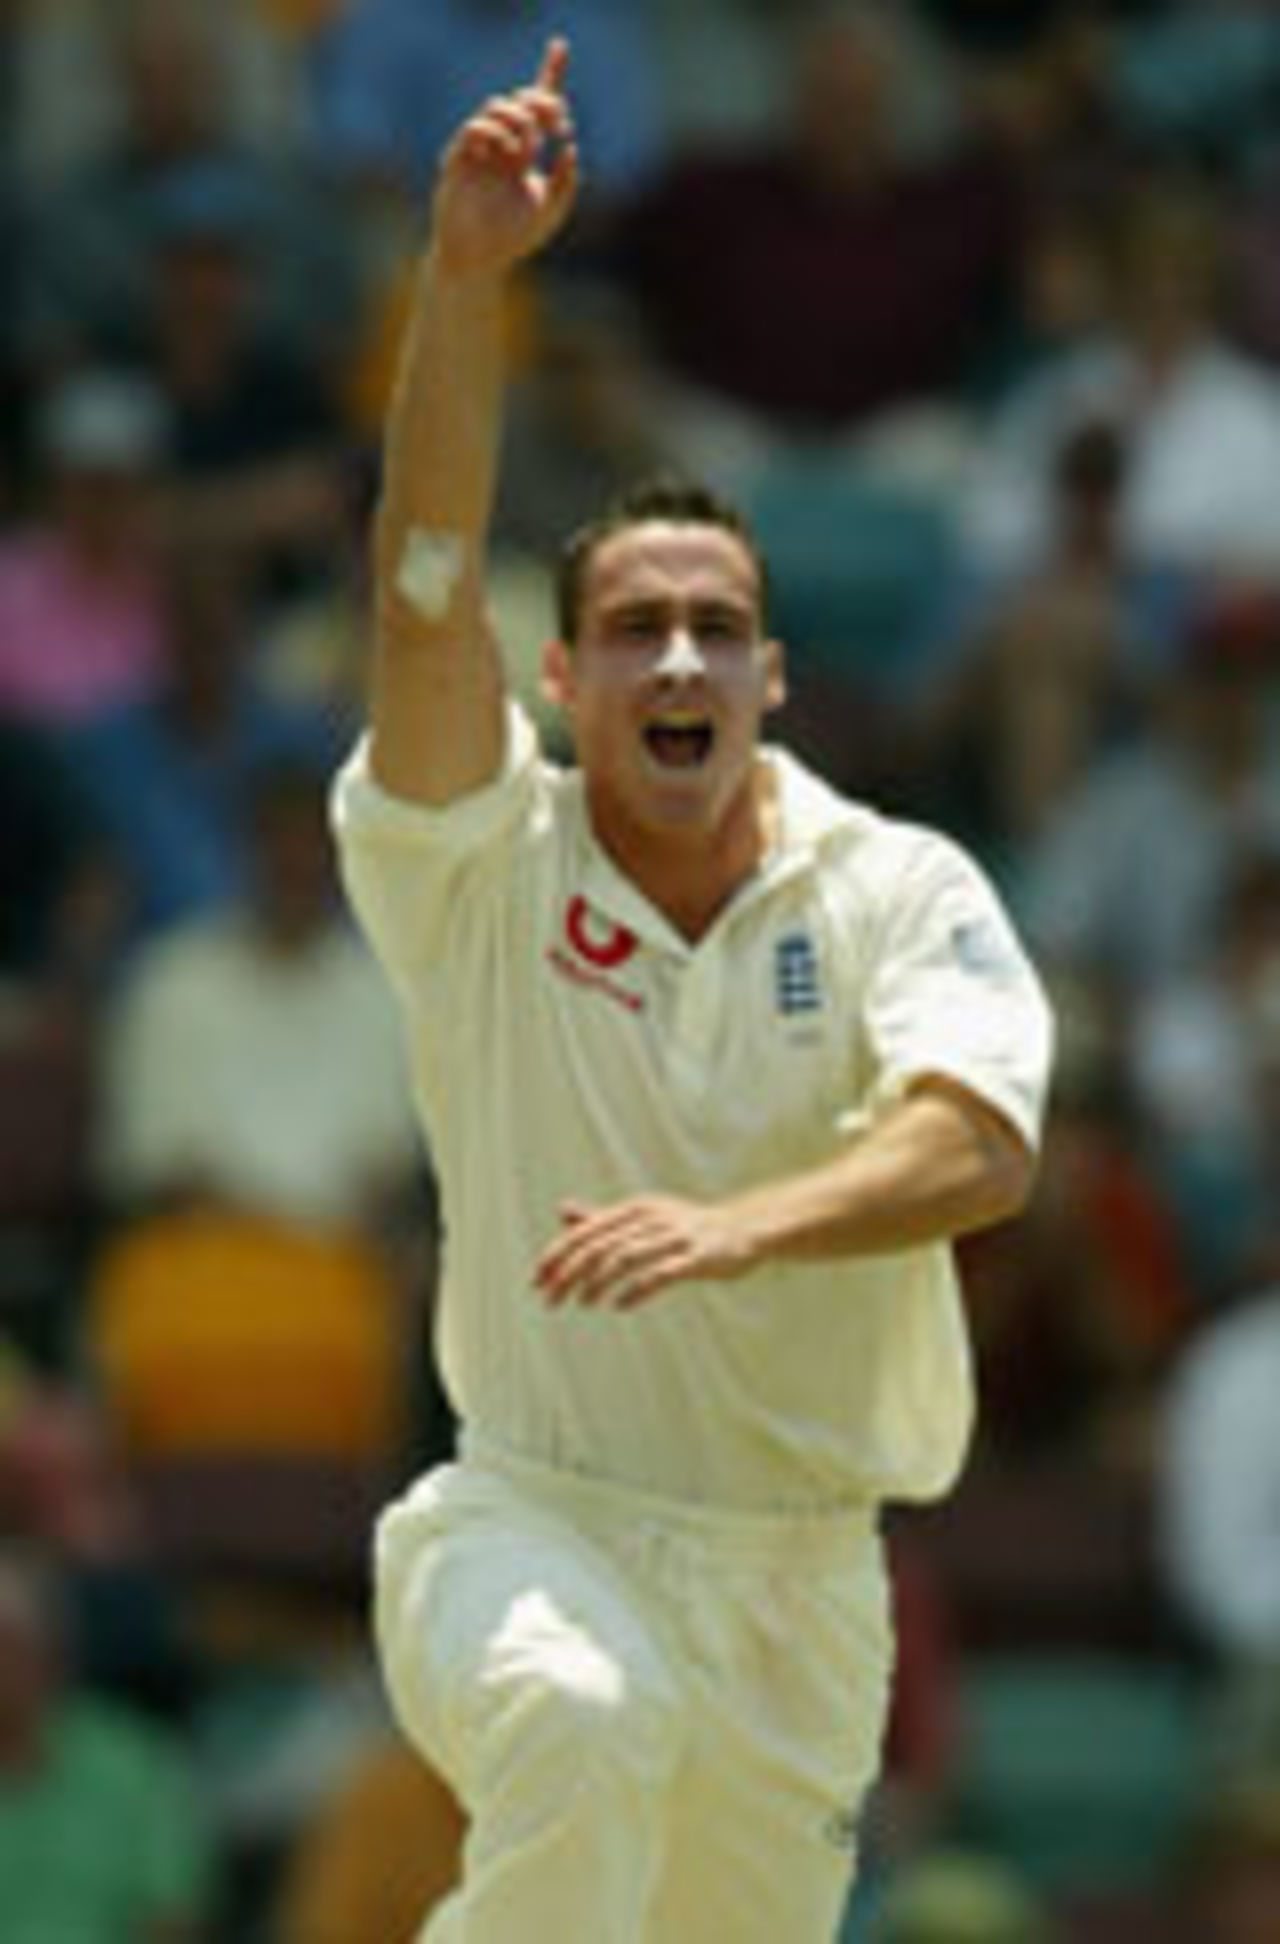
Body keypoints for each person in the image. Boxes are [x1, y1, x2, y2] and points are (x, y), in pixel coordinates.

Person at [330, 39, 1053, 1943]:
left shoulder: (898, 883)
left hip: (808, 1588)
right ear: (561, 685)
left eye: (717, 630)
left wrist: (743, 1227)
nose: (679, 658)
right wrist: (467, 278)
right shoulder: (478, 866)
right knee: (583, 1718)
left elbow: (976, 1145)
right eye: (634, 628)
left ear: (772, 679)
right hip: (528, 1519)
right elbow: (420, 591)